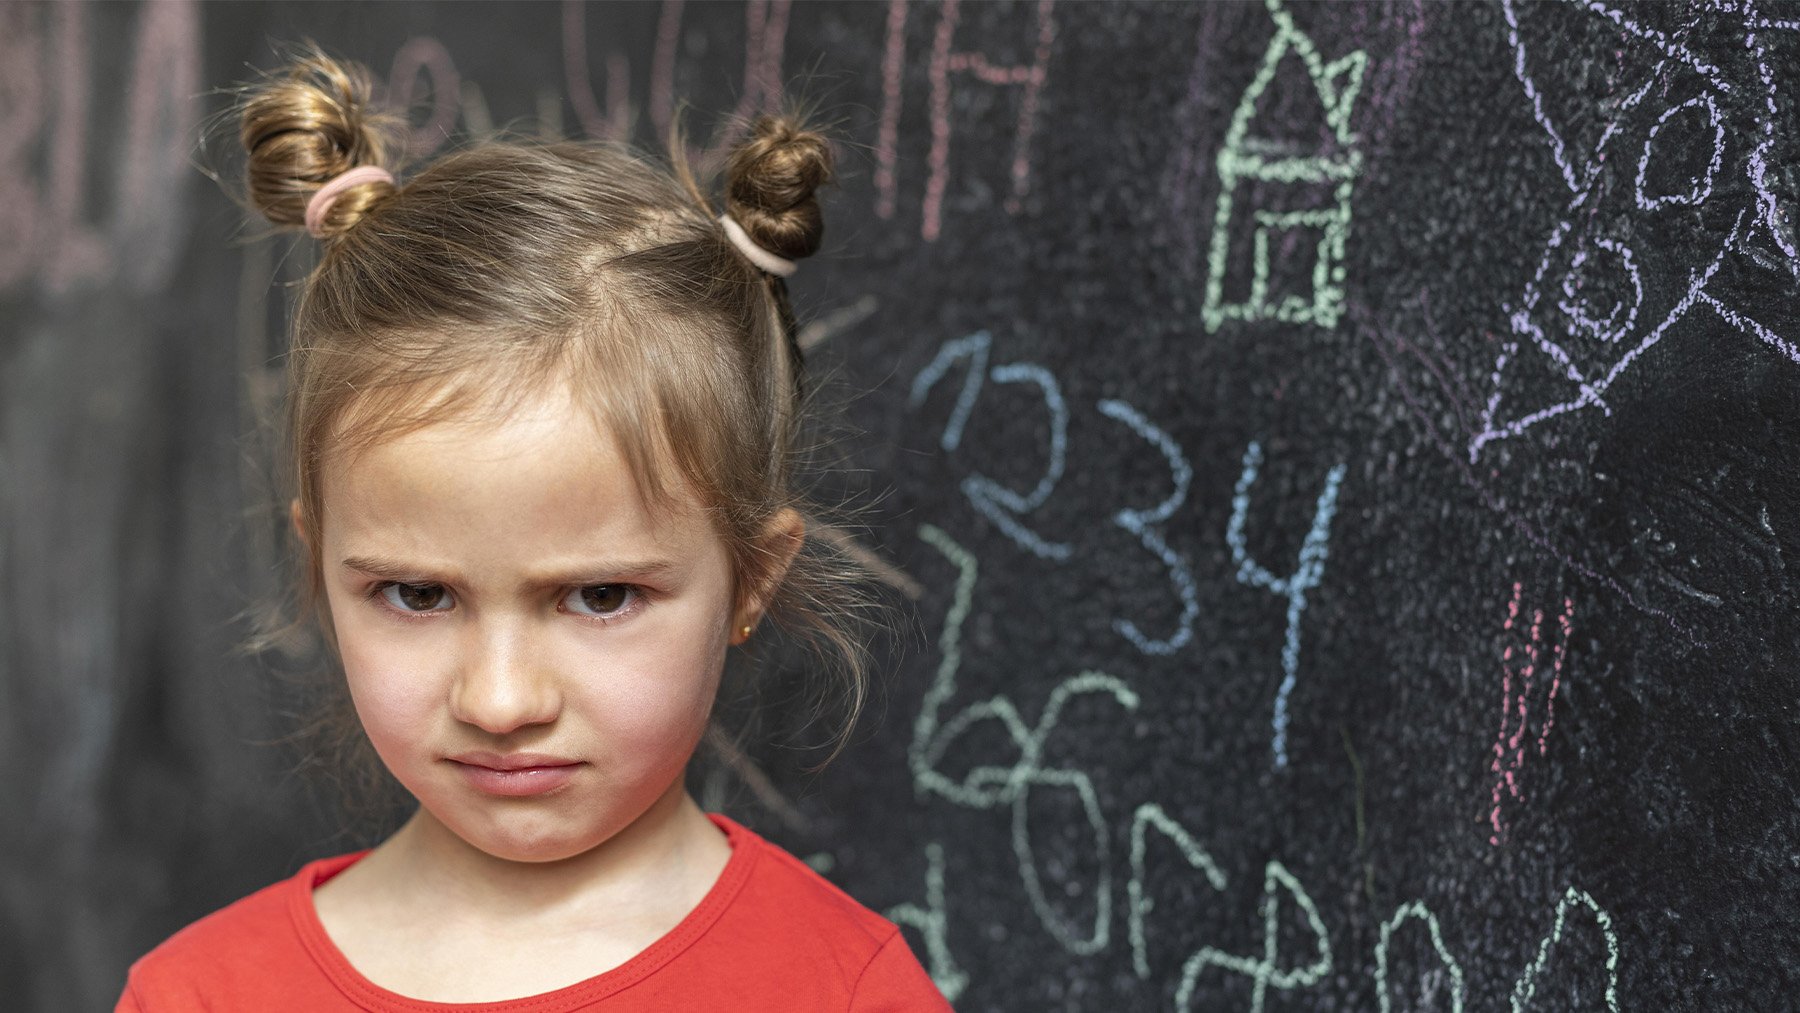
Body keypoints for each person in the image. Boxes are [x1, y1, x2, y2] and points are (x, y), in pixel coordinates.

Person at [118, 49, 950, 1012]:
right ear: (317, 565)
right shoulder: (198, 994)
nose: (501, 701)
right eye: (417, 594)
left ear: (753, 577)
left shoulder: (842, 992)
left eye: (601, 596)